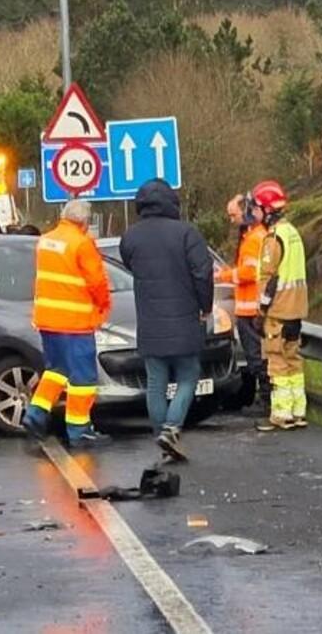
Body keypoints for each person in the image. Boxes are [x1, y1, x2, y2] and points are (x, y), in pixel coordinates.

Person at [119, 179, 214, 462]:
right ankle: (172, 429)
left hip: (150, 321)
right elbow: (203, 272)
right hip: (184, 319)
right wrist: (204, 306)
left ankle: (161, 433)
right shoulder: (187, 233)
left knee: (155, 382)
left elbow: (129, 264)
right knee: (188, 375)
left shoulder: (131, 237)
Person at [21, 200, 112, 447]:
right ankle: (79, 429)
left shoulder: (46, 240)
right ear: (84, 222)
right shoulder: (81, 243)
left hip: (48, 320)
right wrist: (103, 306)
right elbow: (96, 282)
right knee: (83, 378)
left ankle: (35, 415)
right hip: (74, 322)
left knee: (56, 371)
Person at [251, 180, 310, 432]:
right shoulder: (293, 232)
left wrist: (261, 310)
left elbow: (269, 279)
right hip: (297, 310)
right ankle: (298, 412)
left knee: (277, 361)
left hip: (278, 310)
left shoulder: (273, 238)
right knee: (294, 360)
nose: (253, 213)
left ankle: (281, 414)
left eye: (255, 208)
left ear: (266, 209)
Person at [214, 193, 269, 412]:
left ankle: (267, 400)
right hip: (249, 307)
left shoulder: (255, 238)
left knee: (257, 357)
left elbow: (250, 272)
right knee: (257, 356)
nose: (231, 220)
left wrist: (224, 276)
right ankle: (265, 398)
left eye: (233, 215)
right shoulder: (252, 236)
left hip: (251, 309)